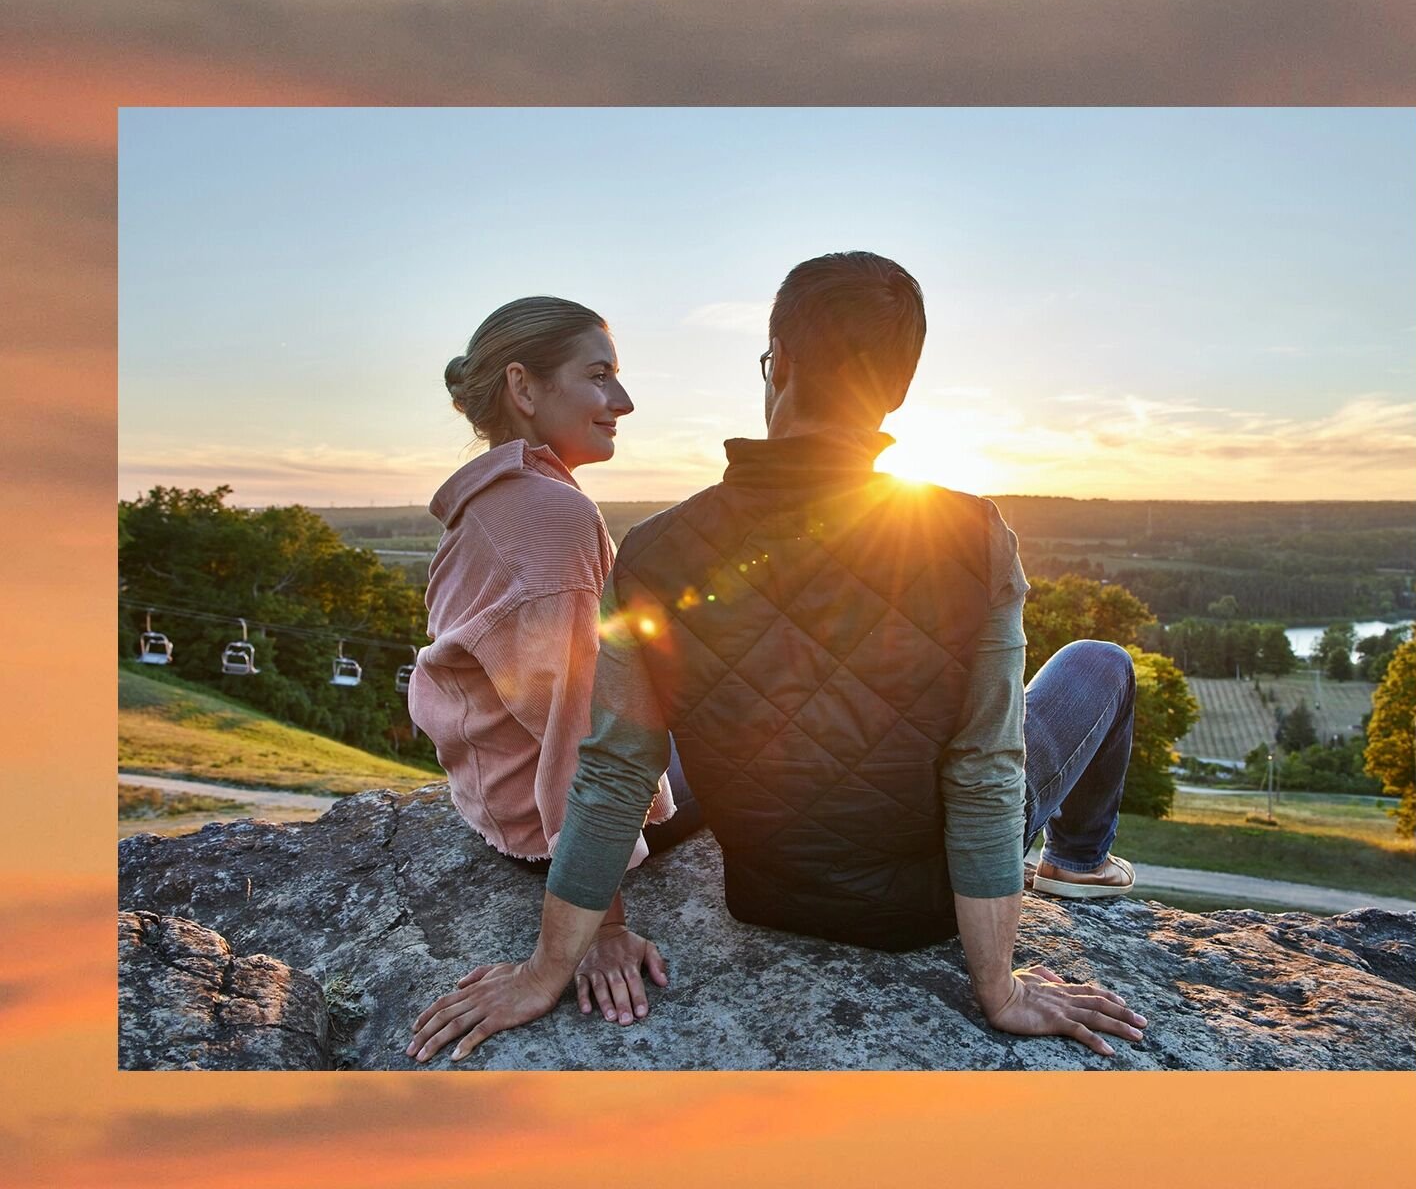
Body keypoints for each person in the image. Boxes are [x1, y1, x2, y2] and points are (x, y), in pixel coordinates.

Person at [408, 256, 1148, 1064]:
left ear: (779, 365)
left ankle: (1075, 862)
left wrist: (545, 969)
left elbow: (616, 771)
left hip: (767, 892)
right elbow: (985, 768)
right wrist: (998, 987)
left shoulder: (655, 550)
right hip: (925, 907)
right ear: (898, 392)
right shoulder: (974, 535)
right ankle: (1077, 863)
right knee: (1100, 661)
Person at [406, 296, 701, 1028]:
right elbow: (578, 725)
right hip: (541, 826)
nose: (622, 401)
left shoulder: (497, 497)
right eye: (599, 376)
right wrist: (596, 928)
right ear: (525, 388)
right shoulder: (555, 519)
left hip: (491, 798)